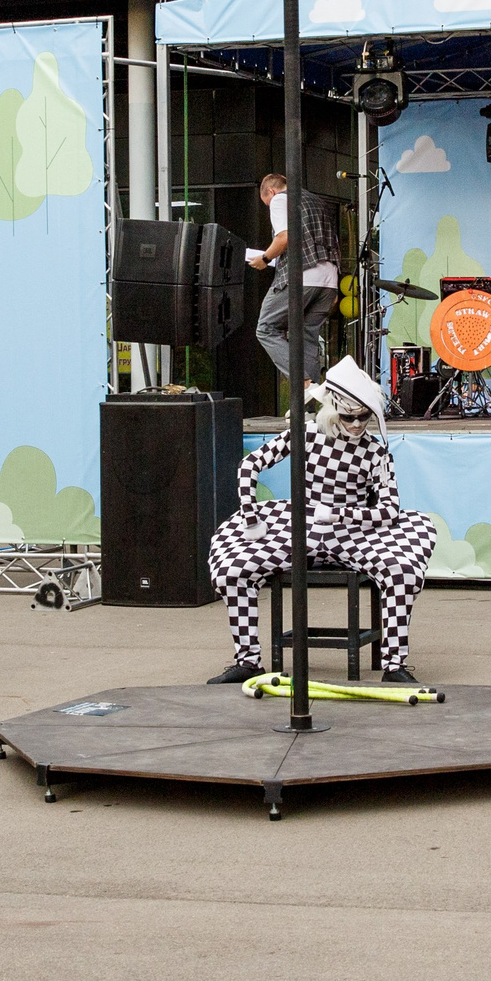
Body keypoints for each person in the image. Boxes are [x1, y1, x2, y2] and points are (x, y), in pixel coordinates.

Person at [206, 356, 438, 687]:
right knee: (232, 569)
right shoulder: (305, 435)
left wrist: (341, 514)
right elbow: (249, 465)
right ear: (332, 411)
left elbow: (390, 509)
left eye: (364, 418)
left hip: (354, 532)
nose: (357, 425)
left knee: (402, 569)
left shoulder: (375, 453)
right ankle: (247, 660)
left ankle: (394, 663)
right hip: (300, 525)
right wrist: (250, 515)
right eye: (349, 417)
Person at [249, 169, 343, 388]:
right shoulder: (315, 200)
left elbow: (284, 237)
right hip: (328, 280)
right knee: (307, 335)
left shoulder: (280, 200)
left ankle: (304, 382)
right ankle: (309, 403)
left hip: (302, 275)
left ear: (270, 191)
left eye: (266, 203)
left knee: (266, 328)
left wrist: (264, 257)